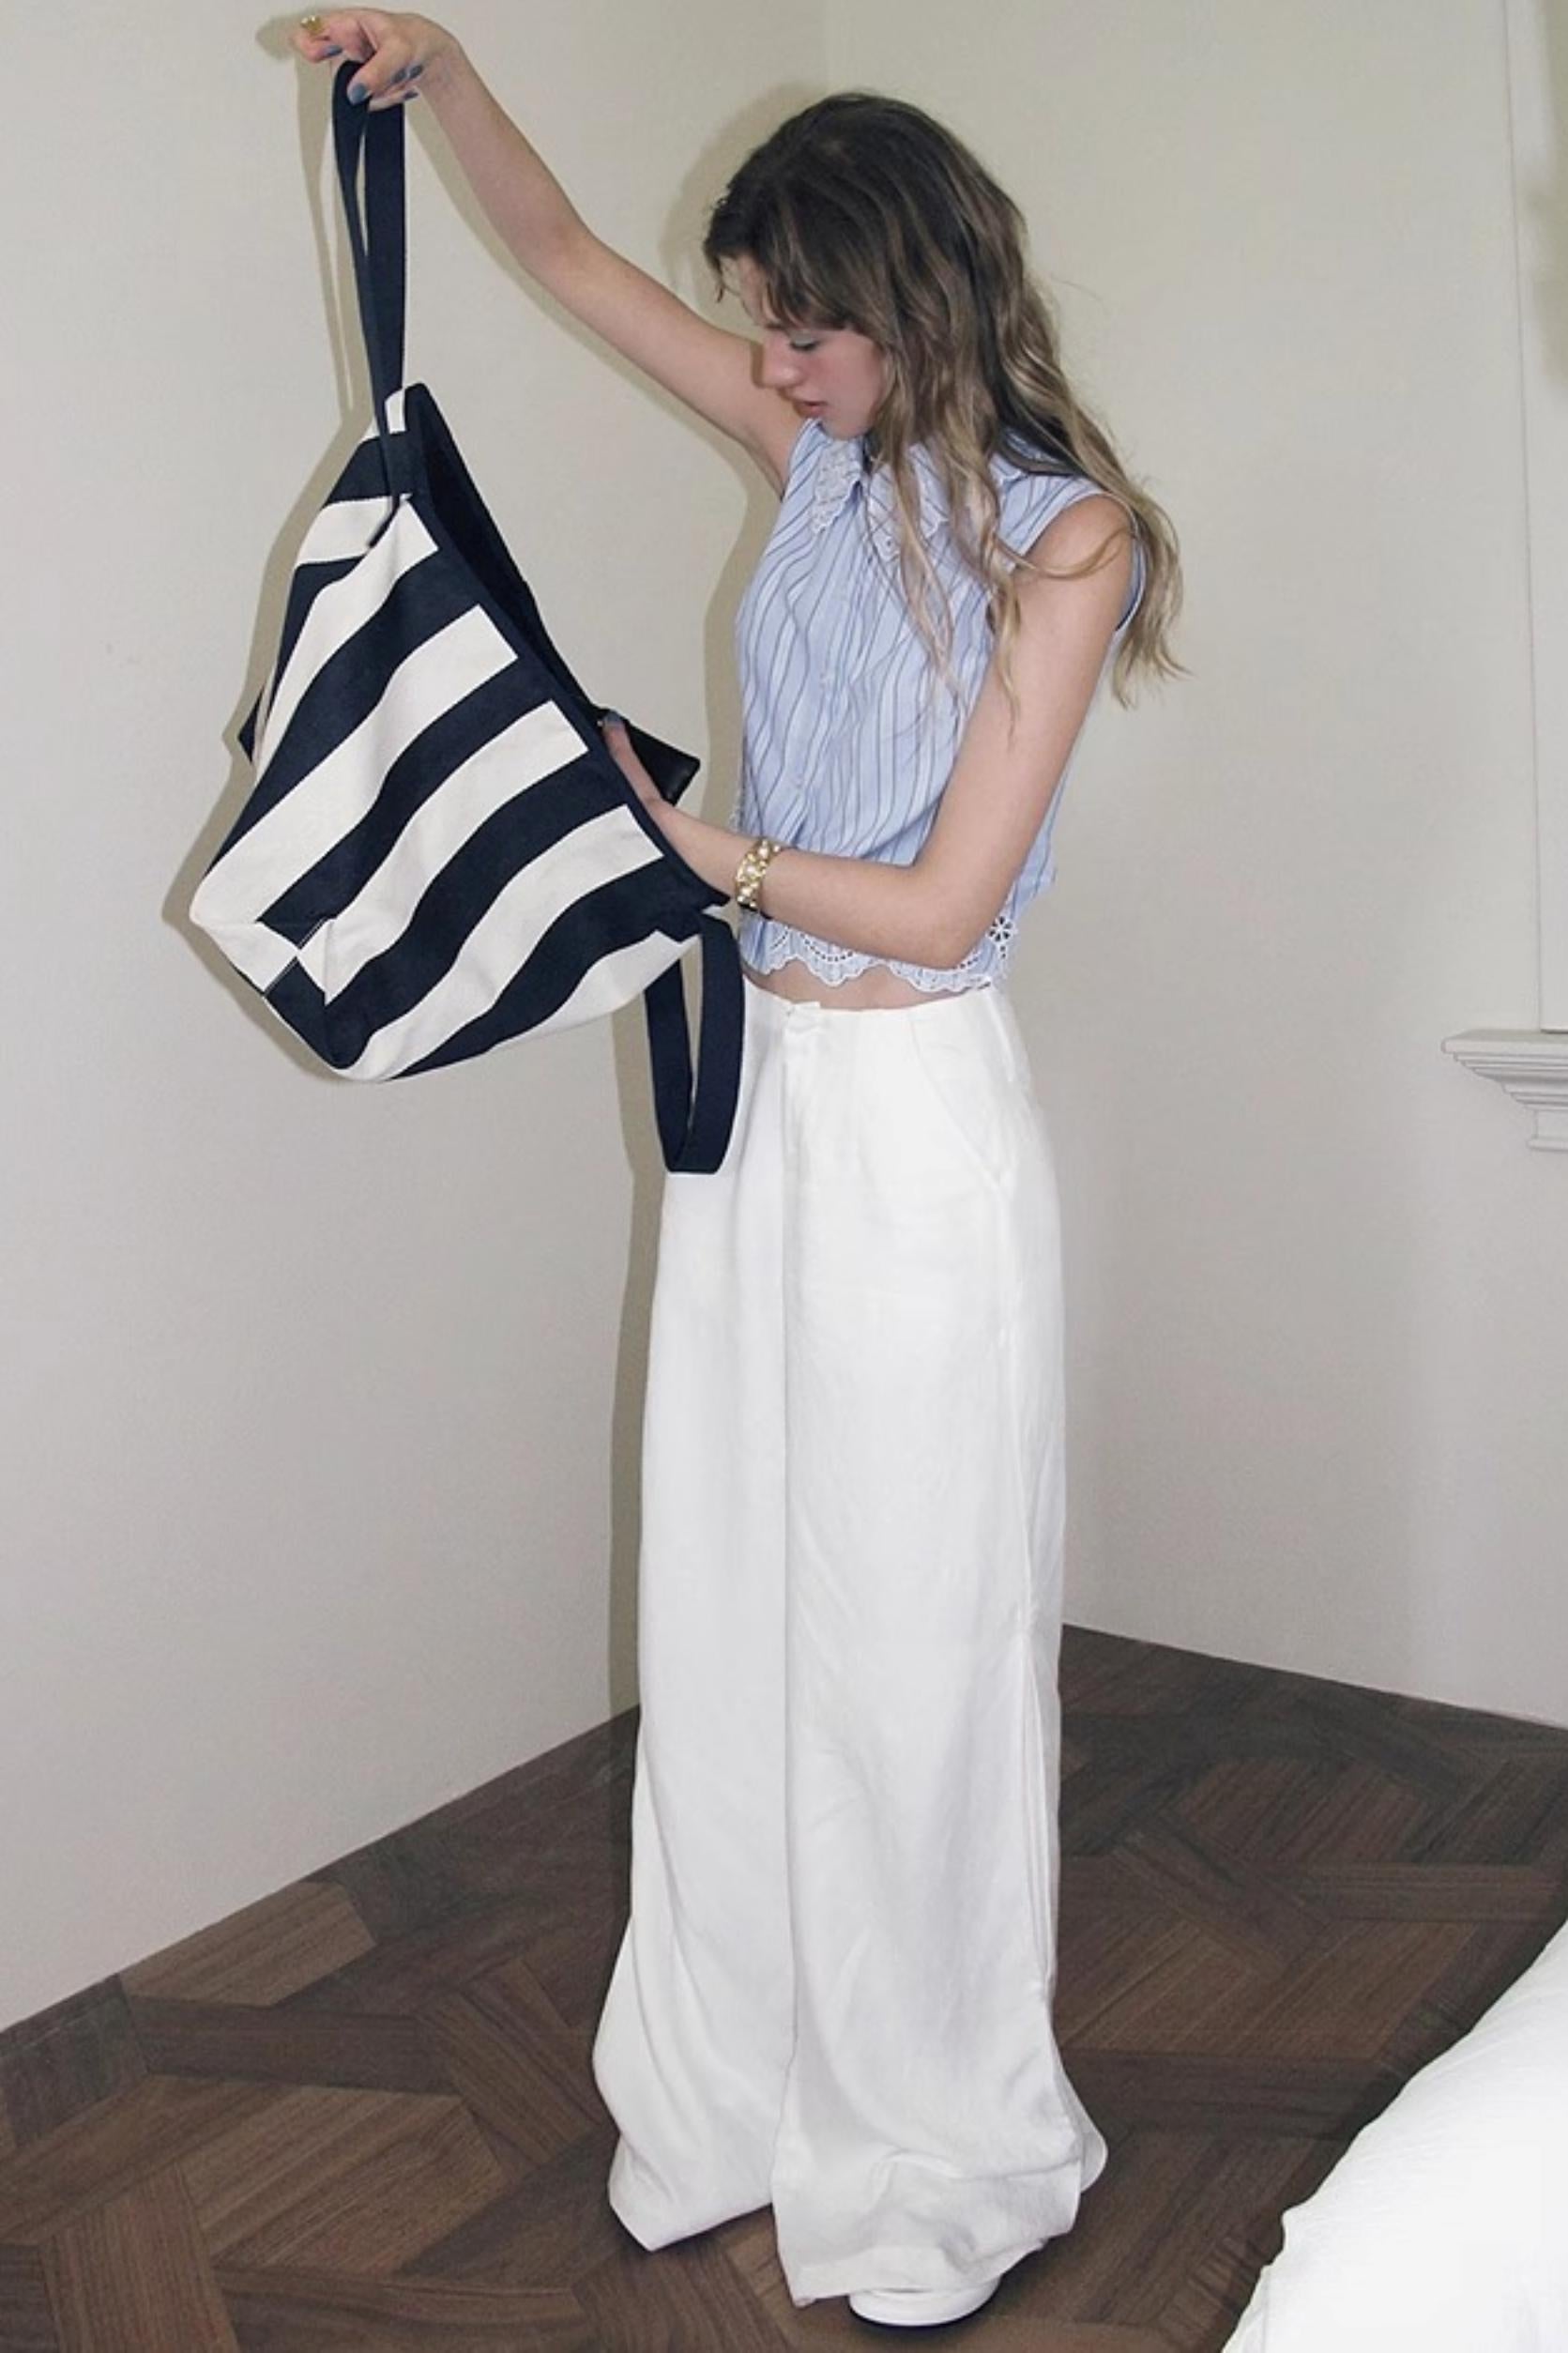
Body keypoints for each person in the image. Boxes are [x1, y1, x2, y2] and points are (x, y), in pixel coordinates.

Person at [293, 14, 1182, 2329]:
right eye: (761, 328)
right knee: (736, 1599)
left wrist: (688, 841)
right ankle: (744, 2089)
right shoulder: (816, 454)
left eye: (802, 325)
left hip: (913, 1126)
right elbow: (561, 258)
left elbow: (941, 903)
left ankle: (932, 2125)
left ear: (911, 296)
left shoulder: (1067, 538)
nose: (771, 366)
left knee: (912, 1639)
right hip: (759, 1106)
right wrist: (442, 75)